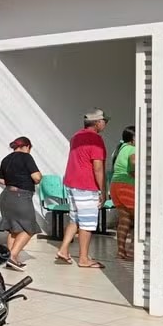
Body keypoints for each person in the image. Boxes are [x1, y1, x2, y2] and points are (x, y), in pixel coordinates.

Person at [56, 109, 109, 269]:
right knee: (87, 223)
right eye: (104, 121)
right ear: (98, 122)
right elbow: (98, 167)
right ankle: (84, 258)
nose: (105, 124)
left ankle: (64, 250)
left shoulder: (76, 137)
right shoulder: (95, 139)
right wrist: (103, 190)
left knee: (75, 219)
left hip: (71, 183)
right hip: (86, 186)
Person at [0, 136, 43, 270]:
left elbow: (1, 180)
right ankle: (12, 255)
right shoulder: (26, 157)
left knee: (14, 229)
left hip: (6, 196)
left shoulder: (6, 159)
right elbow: (37, 176)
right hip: (21, 196)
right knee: (30, 228)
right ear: (27, 146)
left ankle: (11, 260)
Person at [109, 125, 136, 261]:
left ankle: (121, 251)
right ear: (133, 137)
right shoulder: (132, 149)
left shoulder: (120, 149)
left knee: (124, 221)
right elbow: (133, 164)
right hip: (127, 186)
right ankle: (132, 252)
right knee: (138, 221)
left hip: (115, 185)